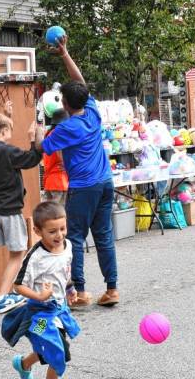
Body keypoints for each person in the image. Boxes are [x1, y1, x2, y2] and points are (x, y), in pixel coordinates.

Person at [35, 36, 120, 308]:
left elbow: (41, 147)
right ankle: (112, 289)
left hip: (83, 188)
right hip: (105, 182)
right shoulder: (92, 113)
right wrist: (64, 53)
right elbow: (80, 80)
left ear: (66, 105)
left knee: (75, 238)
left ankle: (81, 292)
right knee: (104, 237)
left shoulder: (66, 129)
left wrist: (36, 126)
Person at [2, 201, 79, 379]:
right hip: (40, 316)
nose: (59, 235)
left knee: (49, 346)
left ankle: (23, 364)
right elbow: (18, 285)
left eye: (62, 228)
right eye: (52, 231)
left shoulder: (68, 246)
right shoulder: (36, 257)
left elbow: (64, 270)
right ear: (38, 231)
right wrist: (39, 296)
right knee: (58, 352)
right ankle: (27, 365)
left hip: (59, 311)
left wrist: (70, 287)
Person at [0, 101, 43, 314]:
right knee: (18, 253)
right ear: (5, 131)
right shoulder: (9, 152)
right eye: (9, 130)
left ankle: (7, 293)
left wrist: (7, 115)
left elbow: (3, 147)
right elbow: (32, 159)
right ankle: (4, 296)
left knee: (14, 252)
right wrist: (33, 139)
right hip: (10, 209)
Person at [42, 109, 69, 205]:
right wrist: (67, 165)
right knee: (60, 215)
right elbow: (59, 152)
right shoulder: (58, 134)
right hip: (60, 181)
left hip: (50, 180)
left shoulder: (49, 134)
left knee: (51, 215)